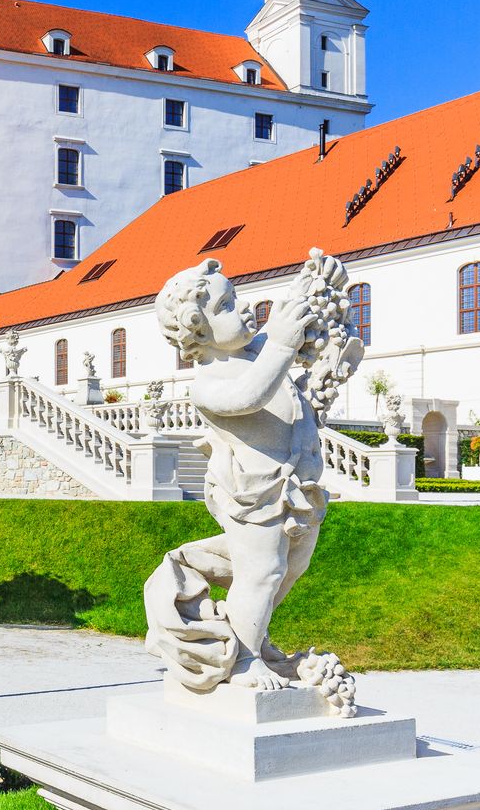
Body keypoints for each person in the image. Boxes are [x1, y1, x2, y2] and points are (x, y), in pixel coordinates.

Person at [145, 254, 354, 708]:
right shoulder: (208, 382)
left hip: (297, 487)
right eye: (226, 306)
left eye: (237, 298)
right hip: (252, 493)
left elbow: (294, 371)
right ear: (198, 329)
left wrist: (319, 307)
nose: (245, 309)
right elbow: (248, 396)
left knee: (287, 570)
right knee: (262, 571)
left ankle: (250, 637)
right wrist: (280, 346)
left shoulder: (259, 353)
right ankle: (240, 660)